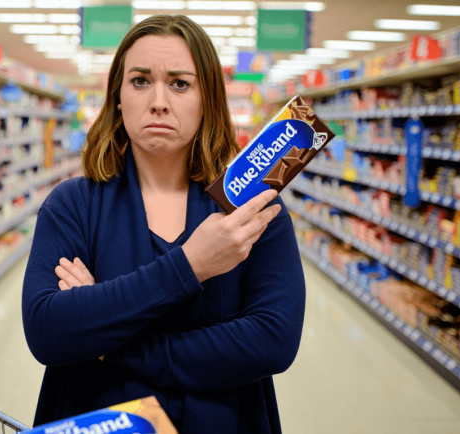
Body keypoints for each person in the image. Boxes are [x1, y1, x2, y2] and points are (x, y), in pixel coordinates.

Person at [22, 14, 305, 434]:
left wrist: (109, 344)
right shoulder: (74, 205)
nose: (158, 100)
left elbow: (272, 342)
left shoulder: (253, 210)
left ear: (207, 98)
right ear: (117, 96)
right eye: (140, 81)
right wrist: (190, 264)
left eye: (179, 83)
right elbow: (48, 330)